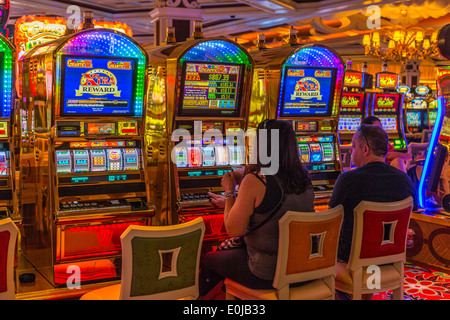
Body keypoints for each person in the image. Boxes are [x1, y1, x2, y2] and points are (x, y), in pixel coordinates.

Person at [199, 119, 315, 298]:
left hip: (267, 273)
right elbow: (267, 206)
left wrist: (230, 191)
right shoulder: (305, 179)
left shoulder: (255, 180)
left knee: (211, 259)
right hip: (303, 270)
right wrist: (235, 202)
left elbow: (233, 229)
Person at [329, 124, 418, 264]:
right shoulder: (405, 180)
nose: (350, 151)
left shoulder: (347, 180)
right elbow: (414, 211)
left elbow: (331, 220)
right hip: (391, 257)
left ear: (365, 149)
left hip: (351, 259)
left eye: (353, 146)